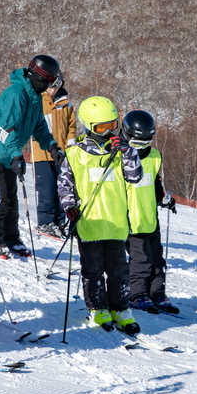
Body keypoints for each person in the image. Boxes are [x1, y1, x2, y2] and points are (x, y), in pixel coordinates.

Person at [58, 96, 143, 334]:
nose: (108, 131)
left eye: (112, 125)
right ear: (89, 126)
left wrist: (126, 151)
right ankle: (98, 308)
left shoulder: (121, 151)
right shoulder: (75, 153)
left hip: (115, 223)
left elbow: (135, 176)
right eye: (102, 127)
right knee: (93, 270)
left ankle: (121, 308)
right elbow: (65, 184)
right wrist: (69, 206)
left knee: (119, 270)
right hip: (90, 223)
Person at [0, 54, 62, 258]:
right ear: (40, 77)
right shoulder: (16, 94)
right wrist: (16, 156)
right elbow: (5, 129)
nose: (51, 85)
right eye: (50, 81)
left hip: (9, 154)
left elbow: (39, 126)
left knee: (11, 200)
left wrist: (52, 146)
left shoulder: (34, 97)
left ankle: (11, 238)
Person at [122, 110, 179, 314]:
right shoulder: (121, 157)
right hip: (130, 220)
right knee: (140, 260)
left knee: (156, 258)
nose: (142, 147)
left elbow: (154, 183)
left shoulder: (154, 156)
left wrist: (163, 199)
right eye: (137, 143)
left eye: (147, 142)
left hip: (149, 218)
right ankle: (136, 294)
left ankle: (156, 293)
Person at [32, 83, 74, 239]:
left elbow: (71, 126)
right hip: (43, 153)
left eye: (55, 87)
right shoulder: (38, 101)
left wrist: (71, 143)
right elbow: (33, 122)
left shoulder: (65, 102)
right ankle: (46, 222)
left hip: (62, 152)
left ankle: (60, 221)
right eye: (50, 87)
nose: (52, 91)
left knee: (62, 187)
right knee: (46, 189)